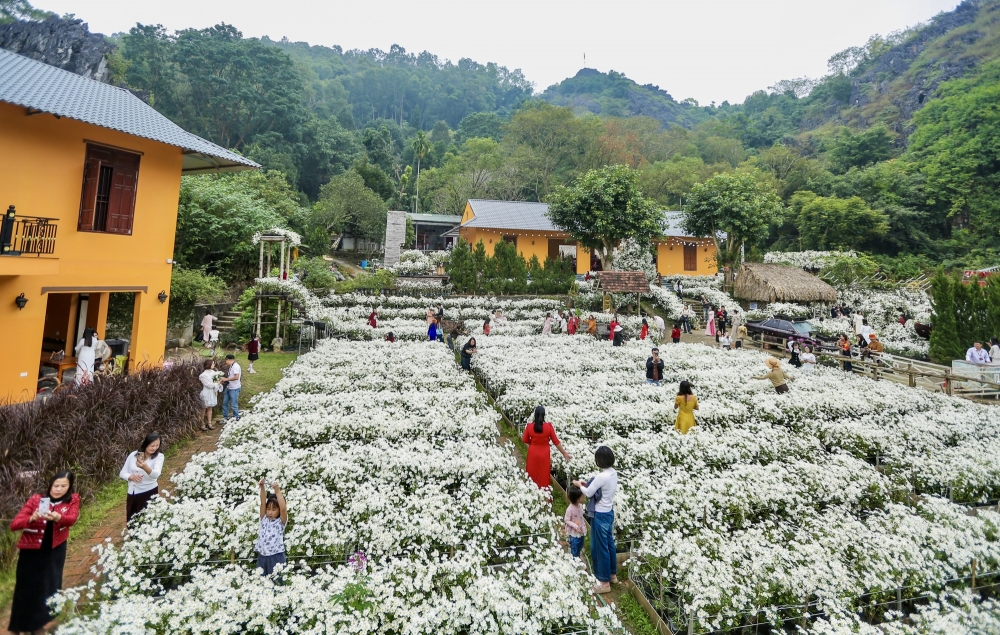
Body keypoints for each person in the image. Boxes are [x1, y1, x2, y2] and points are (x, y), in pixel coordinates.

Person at [8, 471, 79, 635]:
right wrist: (31, 519)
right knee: (26, 588)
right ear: (50, 485)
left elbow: (72, 519)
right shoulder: (36, 500)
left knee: (47, 588)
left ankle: (37, 626)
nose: (59, 489)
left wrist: (58, 516)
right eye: (56, 485)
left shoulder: (72, 499)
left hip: (54, 552)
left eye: (63, 486)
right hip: (31, 552)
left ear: (69, 488)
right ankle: (18, 626)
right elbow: (15, 525)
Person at [572, 447, 618, 594]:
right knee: (609, 543)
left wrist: (579, 485)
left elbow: (589, 492)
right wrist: (588, 484)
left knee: (601, 547)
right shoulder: (612, 473)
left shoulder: (601, 476)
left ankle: (604, 582)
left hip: (600, 515)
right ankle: (612, 575)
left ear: (599, 461)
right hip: (609, 512)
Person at [521, 406, 571, 488]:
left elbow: (524, 439)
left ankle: (530, 489)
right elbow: (556, 442)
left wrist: (533, 443)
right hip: (544, 453)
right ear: (544, 415)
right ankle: (544, 493)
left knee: (532, 471)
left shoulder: (529, 426)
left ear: (535, 415)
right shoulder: (549, 426)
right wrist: (564, 453)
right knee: (543, 473)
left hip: (533, 452)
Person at [119, 433, 164, 523]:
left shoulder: (159, 456)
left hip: (148, 492)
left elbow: (155, 475)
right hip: (133, 493)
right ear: (146, 444)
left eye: (157, 446)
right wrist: (131, 477)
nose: (154, 448)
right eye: (152, 445)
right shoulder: (136, 455)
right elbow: (122, 473)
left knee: (148, 521)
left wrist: (145, 467)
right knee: (132, 521)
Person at [256, 480, 288, 578]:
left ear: (278, 511)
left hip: (276, 556)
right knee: (261, 582)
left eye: (274, 510)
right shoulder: (264, 518)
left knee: (277, 582)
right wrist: (262, 487)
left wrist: (277, 491)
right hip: (262, 556)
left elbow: (283, 509)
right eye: (268, 509)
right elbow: (262, 502)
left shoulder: (281, 522)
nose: (270, 512)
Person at [564, 485, 587, 566]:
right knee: (575, 546)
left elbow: (581, 516)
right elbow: (566, 520)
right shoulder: (570, 509)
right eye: (582, 497)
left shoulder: (580, 506)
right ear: (577, 499)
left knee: (580, 545)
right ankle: (574, 562)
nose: (583, 497)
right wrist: (575, 526)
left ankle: (577, 558)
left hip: (581, 531)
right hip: (574, 532)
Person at [220, 354, 242, 421]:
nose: (225, 362)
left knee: (233, 403)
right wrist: (225, 380)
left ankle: (236, 416)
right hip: (229, 387)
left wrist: (226, 379)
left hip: (234, 388)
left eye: (225, 360)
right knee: (225, 402)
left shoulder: (235, 366)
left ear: (228, 359)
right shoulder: (232, 366)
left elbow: (236, 377)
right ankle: (225, 417)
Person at [198, 360, 219, 431]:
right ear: (209, 364)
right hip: (206, 393)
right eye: (213, 363)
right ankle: (202, 423)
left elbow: (216, 381)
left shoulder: (214, 373)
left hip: (212, 392)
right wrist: (217, 384)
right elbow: (208, 385)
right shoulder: (203, 375)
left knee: (210, 408)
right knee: (204, 409)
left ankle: (209, 423)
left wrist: (218, 384)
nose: (214, 364)